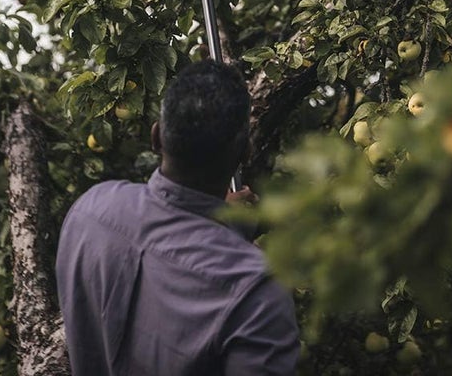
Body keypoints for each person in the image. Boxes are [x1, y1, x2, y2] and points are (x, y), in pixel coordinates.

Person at [55, 60, 300, 375]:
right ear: (245, 153)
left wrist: (221, 223)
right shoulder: (258, 295)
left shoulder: (90, 211)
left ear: (156, 137)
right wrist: (227, 234)